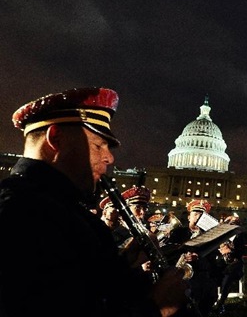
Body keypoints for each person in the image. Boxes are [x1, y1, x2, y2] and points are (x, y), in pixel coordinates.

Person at [0, 87, 187, 317]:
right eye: (99, 145)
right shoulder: (19, 213)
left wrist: (122, 265)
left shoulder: (59, 207)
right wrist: (156, 307)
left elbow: (83, 288)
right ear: (55, 138)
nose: (110, 158)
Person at [166, 198, 220, 317]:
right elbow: (169, 252)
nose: (198, 218)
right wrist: (182, 256)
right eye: (195, 214)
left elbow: (212, 260)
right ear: (189, 217)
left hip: (200, 274)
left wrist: (199, 257)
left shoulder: (209, 236)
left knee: (208, 291)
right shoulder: (178, 233)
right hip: (178, 273)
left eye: (201, 216)